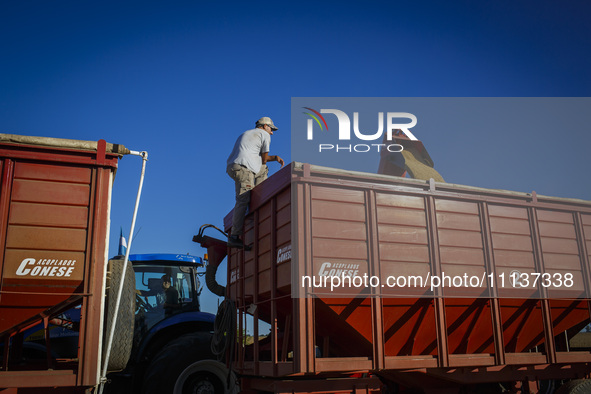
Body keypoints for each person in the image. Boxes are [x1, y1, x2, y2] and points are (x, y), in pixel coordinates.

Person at [226, 116, 284, 248]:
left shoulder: (247, 133)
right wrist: (274, 157)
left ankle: (259, 194)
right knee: (243, 199)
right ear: (264, 126)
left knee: (263, 169)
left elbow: (259, 161)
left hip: (235, 166)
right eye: (271, 129)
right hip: (244, 168)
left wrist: (274, 158)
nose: (272, 132)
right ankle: (234, 236)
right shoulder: (264, 135)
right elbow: (263, 159)